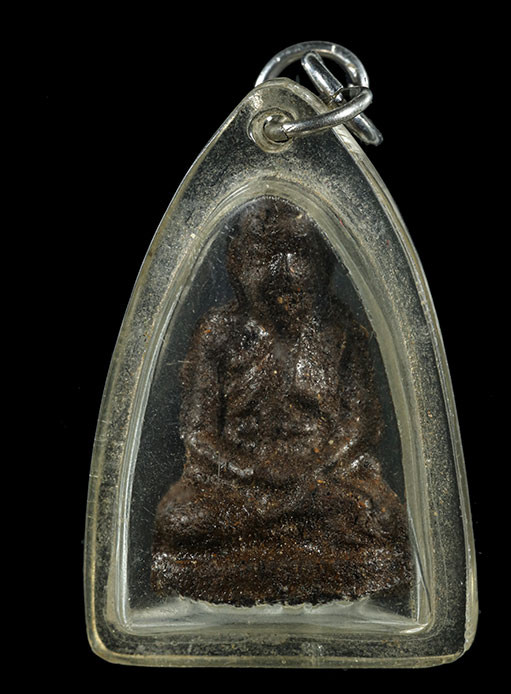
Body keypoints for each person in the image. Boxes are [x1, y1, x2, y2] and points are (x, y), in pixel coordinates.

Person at [151, 196, 411, 604]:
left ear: (325, 262)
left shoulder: (341, 332)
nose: (284, 272)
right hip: (238, 483)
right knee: (178, 520)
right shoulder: (217, 333)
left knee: (381, 518)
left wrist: (310, 472)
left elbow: (359, 426)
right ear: (236, 261)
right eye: (264, 255)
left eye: (299, 254)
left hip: (323, 482)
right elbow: (198, 433)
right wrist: (251, 471)